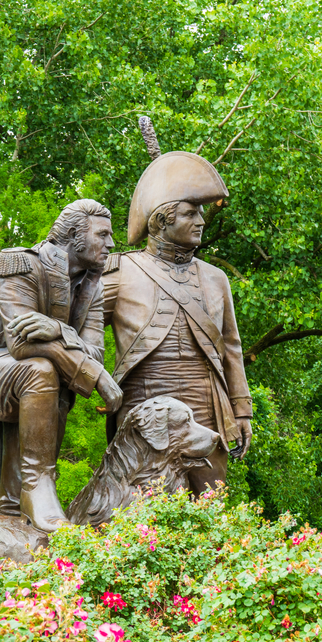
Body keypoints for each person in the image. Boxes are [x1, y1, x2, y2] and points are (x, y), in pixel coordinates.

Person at [0, 199, 122, 532]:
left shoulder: (93, 286)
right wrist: (95, 375)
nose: (111, 244)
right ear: (74, 235)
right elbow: (21, 343)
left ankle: (15, 503)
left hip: (45, 380)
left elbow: (95, 353)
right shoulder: (18, 264)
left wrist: (59, 329)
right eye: (103, 234)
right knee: (40, 368)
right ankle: (37, 483)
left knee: (49, 372)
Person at [103, 148, 252, 494]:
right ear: (161, 220)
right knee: (143, 511)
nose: (201, 221)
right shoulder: (119, 272)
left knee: (210, 509)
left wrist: (241, 411)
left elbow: (232, 347)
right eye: (190, 213)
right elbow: (85, 336)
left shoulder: (216, 279)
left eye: (200, 213)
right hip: (145, 407)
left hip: (207, 406)